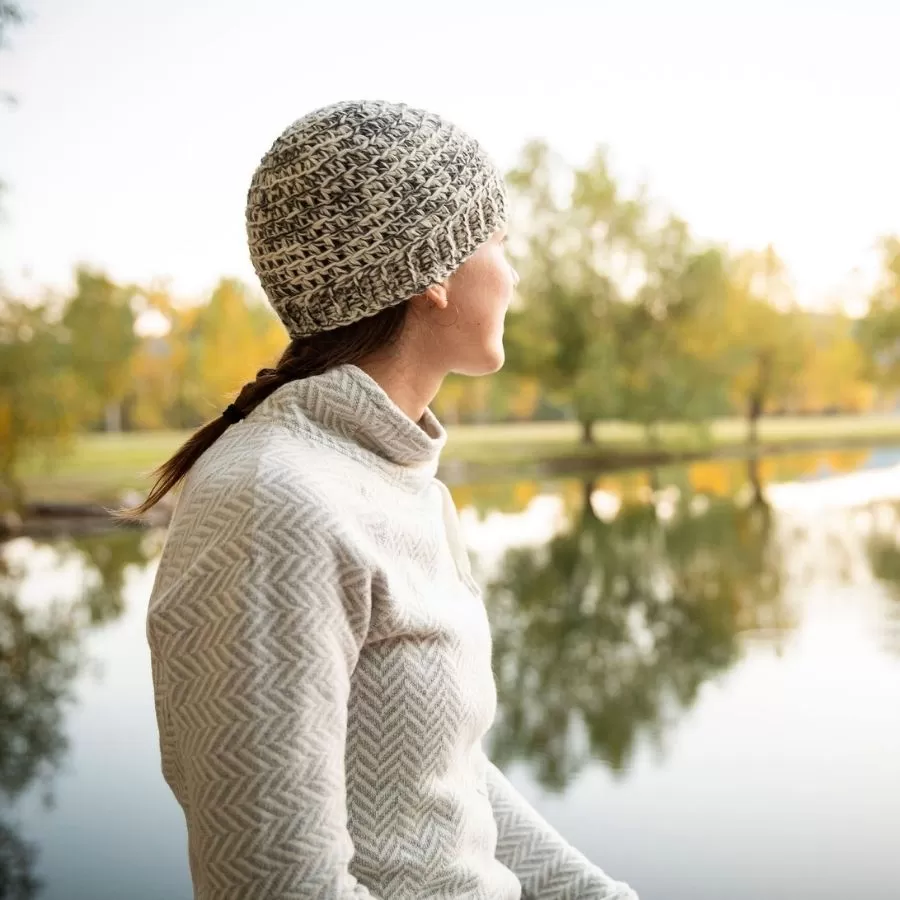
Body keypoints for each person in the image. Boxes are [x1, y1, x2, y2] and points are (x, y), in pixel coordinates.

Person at [137, 100, 638, 899]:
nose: (512, 273)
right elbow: (273, 882)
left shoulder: (398, 482)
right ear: (432, 272)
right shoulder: (274, 504)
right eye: (500, 242)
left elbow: (448, 782)